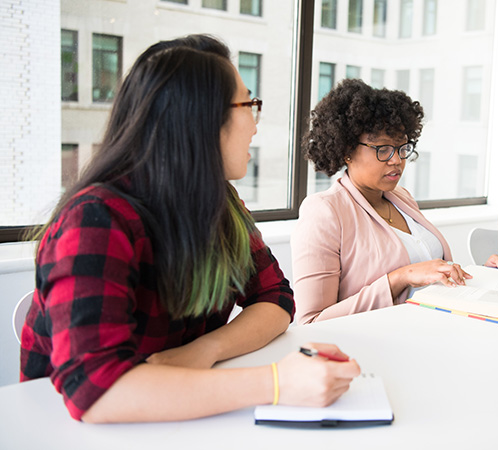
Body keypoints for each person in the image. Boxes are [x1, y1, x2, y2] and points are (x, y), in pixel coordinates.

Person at [19, 35, 359, 423]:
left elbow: (276, 299)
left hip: (178, 419)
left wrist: (206, 350)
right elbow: (95, 391)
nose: (255, 124)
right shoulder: (95, 218)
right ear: (200, 119)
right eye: (248, 104)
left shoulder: (220, 202)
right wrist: (276, 384)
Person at [291, 79, 498, 324]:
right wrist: (400, 278)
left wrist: (482, 275)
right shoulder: (325, 211)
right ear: (346, 150)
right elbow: (312, 321)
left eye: (402, 148)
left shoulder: (402, 198)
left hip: (434, 330)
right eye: (383, 149)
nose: (396, 160)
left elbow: (429, 277)